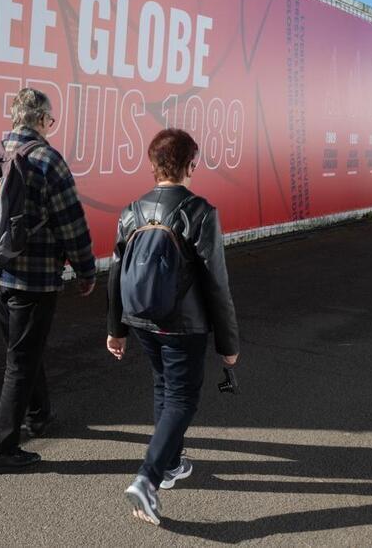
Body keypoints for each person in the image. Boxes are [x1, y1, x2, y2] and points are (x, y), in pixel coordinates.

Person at [105, 128, 239, 525]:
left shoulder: (131, 211)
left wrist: (116, 328)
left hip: (142, 319)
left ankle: (171, 463)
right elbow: (217, 282)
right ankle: (147, 478)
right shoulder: (200, 212)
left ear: (153, 166)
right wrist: (228, 342)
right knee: (182, 398)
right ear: (190, 165)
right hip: (184, 324)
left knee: (164, 386)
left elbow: (115, 273)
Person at [0, 87, 97, 473]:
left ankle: (40, 413)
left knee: (23, 350)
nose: (51, 127)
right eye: (50, 120)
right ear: (39, 120)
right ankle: (1, 449)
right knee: (20, 361)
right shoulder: (48, 161)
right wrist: (86, 271)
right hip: (33, 279)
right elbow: (71, 223)